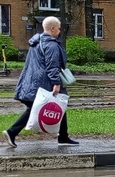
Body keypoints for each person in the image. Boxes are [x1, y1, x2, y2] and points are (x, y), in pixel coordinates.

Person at [4, 16, 78, 147]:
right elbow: (52, 66)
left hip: (32, 81)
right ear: (53, 28)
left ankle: (63, 136)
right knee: (36, 108)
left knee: (59, 105)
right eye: (59, 28)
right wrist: (56, 83)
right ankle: (11, 132)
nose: (60, 31)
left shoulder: (36, 42)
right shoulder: (52, 45)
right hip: (45, 83)